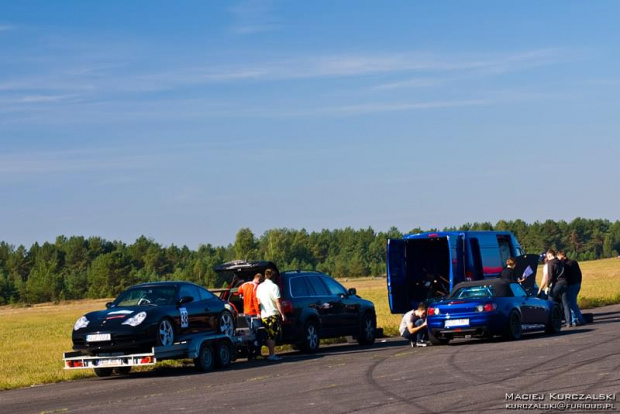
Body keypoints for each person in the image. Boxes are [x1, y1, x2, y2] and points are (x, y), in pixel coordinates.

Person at [256, 268, 286, 361]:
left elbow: (258, 300)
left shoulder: (260, 287)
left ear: (265, 276)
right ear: (273, 277)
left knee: (268, 334)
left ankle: (270, 353)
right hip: (273, 313)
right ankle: (271, 354)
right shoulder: (274, 287)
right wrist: (283, 314)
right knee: (272, 335)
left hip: (264, 314)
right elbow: (278, 302)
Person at [557, 250, 586, 326]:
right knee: (572, 302)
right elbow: (579, 273)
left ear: (561, 256)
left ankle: (578, 319)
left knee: (571, 303)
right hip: (577, 284)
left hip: (571, 285)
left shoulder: (564, 265)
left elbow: (566, 276)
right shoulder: (574, 262)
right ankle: (575, 319)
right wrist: (579, 282)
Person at [238, 273, 263, 358]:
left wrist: (243, 296)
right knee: (257, 332)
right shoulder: (255, 287)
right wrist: (258, 312)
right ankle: (257, 352)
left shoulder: (245, 284)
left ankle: (250, 352)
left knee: (251, 332)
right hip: (253, 313)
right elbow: (255, 300)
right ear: (258, 279)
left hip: (246, 312)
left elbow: (238, 291)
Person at [545, 249, 571, 326]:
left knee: (550, 300)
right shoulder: (560, 261)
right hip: (565, 282)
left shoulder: (550, 263)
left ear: (549, 255)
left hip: (557, 283)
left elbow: (550, 276)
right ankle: (568, 322)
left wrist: (547, 286)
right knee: (565, 303)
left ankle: (552, 321)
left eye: (547, 256)